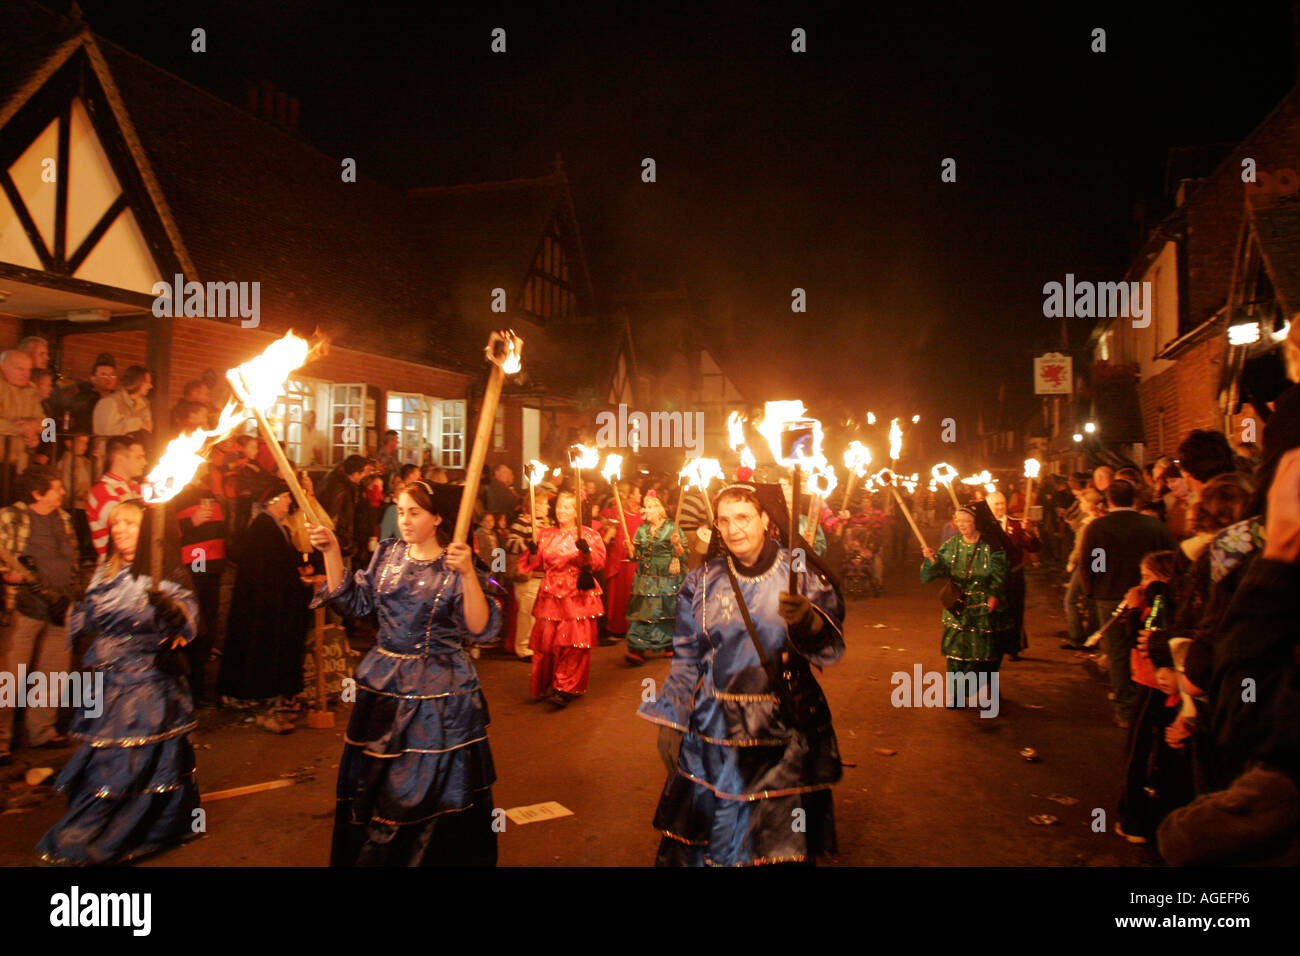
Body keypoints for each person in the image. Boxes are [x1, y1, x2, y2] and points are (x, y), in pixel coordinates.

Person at [638, 482, 845, 866]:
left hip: (783, 730)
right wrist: (671, 719)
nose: (734, 529)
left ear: (766, 519)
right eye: (725, 520)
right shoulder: (701, 582)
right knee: (717, 835)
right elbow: (685, 658)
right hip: (716, 731)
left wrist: (810, 623)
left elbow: (829, 648)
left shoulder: (798, 573)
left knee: (774, 842)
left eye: (744, 518)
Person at [309, 479, 502, 866]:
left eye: (414, 512)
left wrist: (466, 574)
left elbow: (479, 627)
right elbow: (356, 603)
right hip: (384, 690)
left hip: (439, 699)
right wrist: (331, 552)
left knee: (424, 792)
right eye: (400, 512)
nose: (405, 521)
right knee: (380, 786)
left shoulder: (455, 563)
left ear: (437, 518)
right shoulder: (387, 555)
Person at [36, 499, 200, 865]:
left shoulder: (164, 572)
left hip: (146, 687)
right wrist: (51, 598)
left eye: (129, 524)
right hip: (105, 683)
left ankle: (119, 835)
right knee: (104, 761)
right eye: (115, 525)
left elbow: (186, 622)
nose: (120, 531)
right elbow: (89, 618)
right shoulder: (105, 572)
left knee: (128, 763)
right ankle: (104, 832)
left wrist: (171, 611)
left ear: (147, 534)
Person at [216, 481, 313, 732]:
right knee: (262, 657)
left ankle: (268, 709)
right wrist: (294, 579)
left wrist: (297, 574)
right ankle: (264, 710)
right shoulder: (263, 528)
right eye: (285, 498)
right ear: (272, 501)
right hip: (261, 608)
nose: (288, 502)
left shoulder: (274, 526)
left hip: (269, 604)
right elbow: (266, 570)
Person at [1079, 479, 1176, 728]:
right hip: (1150, 595)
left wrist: (1093, 589)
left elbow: (1091, 560)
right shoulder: (1154, 526)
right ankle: (1153, 701)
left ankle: (1124, 707)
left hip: (1109, 593)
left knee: (1118, 652)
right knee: (1147, 649)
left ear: (1108, 499)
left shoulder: (1099, 527)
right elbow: (1170, 559)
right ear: (1133, 499)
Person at [0, 468, 78, 764]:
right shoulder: (12, 517)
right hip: (25, 605)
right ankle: (1, 741)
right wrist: (10, 575)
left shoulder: (64, 519)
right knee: (9, 674)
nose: (62, 493)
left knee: (52, 673)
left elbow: (68, 560)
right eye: (57, 488)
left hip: (60, 606)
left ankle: (42, 732)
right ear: (37, 493)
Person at [518, 490, 606, 707]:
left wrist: (586, 553)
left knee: (573, 643)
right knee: (547, 642)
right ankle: (547, 683)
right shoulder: (545, 534)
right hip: (550, 594)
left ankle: (565, 687)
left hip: (577, 595)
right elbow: (533, 563)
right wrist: (530, 552)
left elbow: (597, 563)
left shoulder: (588, 535)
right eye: (559, 506)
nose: (561, 511)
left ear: (576, 511)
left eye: (567, 507)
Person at [921, 505, 1007, 701]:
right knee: (955, 653)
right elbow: (936, 572)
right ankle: (956, 693)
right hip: (958, 607)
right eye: (959, 522)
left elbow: (999, 573)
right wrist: (932, 560)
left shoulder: (990, 546)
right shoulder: (952, 545)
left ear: (976, 523)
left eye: (966, 521)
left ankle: (985, 690)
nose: (962, 526)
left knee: (982, 654)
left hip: (982, 607)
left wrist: (994, 594)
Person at [172, 466, 228, 705]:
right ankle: (188, 690)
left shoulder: (208, 495)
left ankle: (200, 686)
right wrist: (189, 523)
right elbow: (165, 532)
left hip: (213, 570)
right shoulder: (174, 496)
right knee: (193, 627)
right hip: (195, 568)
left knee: (208, 628)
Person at [624, 489, 684, 663]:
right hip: (645, 575)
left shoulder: (671, 527)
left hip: (666, 574)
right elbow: (635, 555)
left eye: (649, 507)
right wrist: (630, 548)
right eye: (645, 507)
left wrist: (677, 544)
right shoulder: (642, 529)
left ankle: (668, 643)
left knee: (666, 609)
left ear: (658, 509)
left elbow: (681, 553)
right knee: (642, 610)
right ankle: (638, 647)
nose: (645, 511)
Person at [986, 490, 1040, 660]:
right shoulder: (983, 527)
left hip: (1013, 575)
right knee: (992, 612)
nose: (1000, 507)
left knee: (1014, 612)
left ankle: (1013, 647)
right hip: (992, 577)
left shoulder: (1017, 525)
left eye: (1002, 503)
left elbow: (1034, 547)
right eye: (996, 504)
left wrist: (1029, 532)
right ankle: (992, 646)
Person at [85, 436, 145, 557]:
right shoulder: (101, 492)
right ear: (120, 459)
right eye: (139, 457)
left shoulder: (136, 488)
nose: (144, 462)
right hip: (115, 569)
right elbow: (123, 527)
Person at [599, 480, 643, 644]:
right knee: (619, 596)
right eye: (638, 492)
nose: (640, 495)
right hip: (622, 561)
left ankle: (633, 627)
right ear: (631, 494)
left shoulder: (641, 514)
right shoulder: (619, 514)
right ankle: (617, 627)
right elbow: (608, 537)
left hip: (635, 560)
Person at [317, 454, 367, 566]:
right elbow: (335, 518)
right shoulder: (342, 489)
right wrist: (346, 545)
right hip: (339, 545)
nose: (365, 475)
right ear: (355, 474)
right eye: (363, 472)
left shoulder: (337, 482)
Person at [92, 365, 154, 437]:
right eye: (147, 382)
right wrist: (136, 424)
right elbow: (103, 432)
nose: (150, 386)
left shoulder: (144, 404)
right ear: (137, 381)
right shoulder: (110, 403)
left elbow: (148, 429)